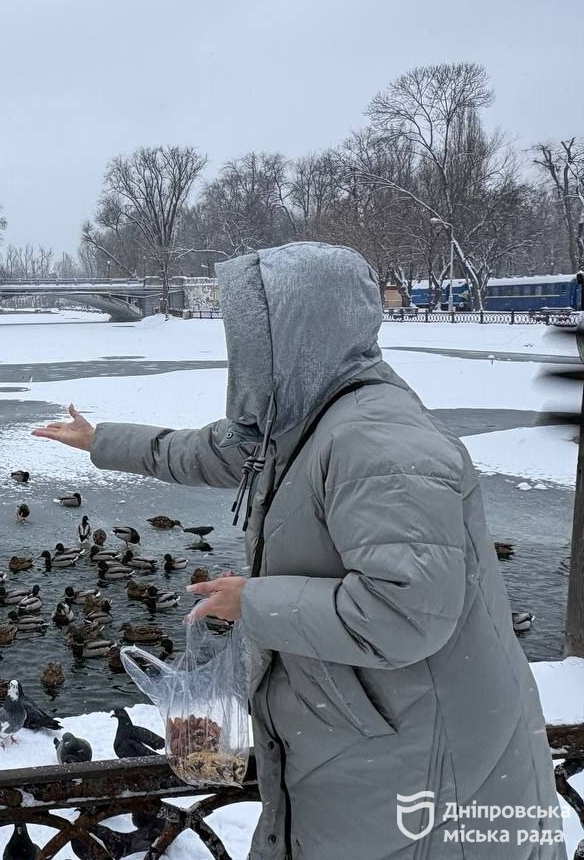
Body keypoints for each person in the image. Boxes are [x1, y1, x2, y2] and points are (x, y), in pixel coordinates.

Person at [33, 242, 562, 858]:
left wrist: (252, 603)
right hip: (374, 745)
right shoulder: (302, 419)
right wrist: (101, 440)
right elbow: (206, 451)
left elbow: (407, 612)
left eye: (251, 337)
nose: (240, 356)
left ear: (297, 335)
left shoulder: (378, 442)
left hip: (425, 770)